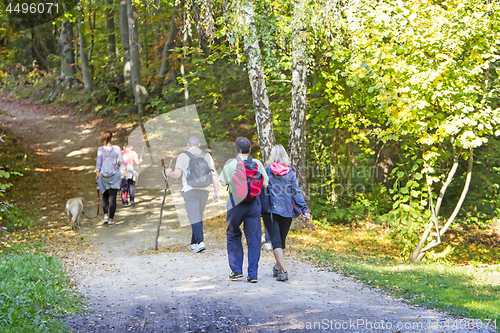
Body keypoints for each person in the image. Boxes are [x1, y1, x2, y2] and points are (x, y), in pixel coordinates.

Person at [219, 137, 269, 283]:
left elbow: (222, 183)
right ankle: (252, 274)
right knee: (254, 240)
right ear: (250, 150)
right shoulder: (257, 163)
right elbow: (265, 183)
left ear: (236, 150)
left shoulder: (231, 163)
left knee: (233, 235)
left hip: (235, 204)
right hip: (254, 204)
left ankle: (236, 271)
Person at [260, 145, 311, 282]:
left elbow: (259, 190)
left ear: (272, 156)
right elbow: (296, 192)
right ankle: (278, 268)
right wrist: (304, 209)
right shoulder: (290, 173)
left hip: (270, 211)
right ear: (285, 156)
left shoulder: (266, 171)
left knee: (276, 241)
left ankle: (283, 270)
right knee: (280, 241)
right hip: (287, 211)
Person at [164, 135, 220, 253]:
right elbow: (214, 174)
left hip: (190, 189)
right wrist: (216, 191)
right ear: (199, 145)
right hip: (204, 190)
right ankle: (193, 243)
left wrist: (168, 173)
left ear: (188, 145)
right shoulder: (207, 155)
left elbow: (177, 174)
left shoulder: (183, 156)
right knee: (198, 215)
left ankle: (200, 241)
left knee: (194, 216)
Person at [96, 130, 127, 227]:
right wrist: (125, 174)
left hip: (103, 176)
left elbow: (98, 165)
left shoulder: (100, 149)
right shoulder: (117, 149)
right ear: (112, 139)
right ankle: (110, 220)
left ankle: (105, 216)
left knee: (105, 196)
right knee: (113, 197)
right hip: (115, 176)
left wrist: (97, 177)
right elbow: (121, 162)